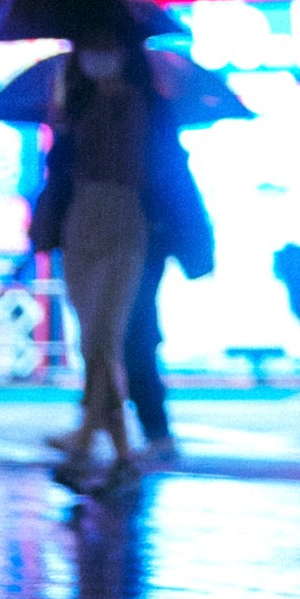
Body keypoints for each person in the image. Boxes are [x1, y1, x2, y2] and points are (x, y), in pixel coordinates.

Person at [31, 16, 155, 494]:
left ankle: (87, 443)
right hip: (81, 221)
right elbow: (59, 173)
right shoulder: (74, 105)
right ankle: (120, 454)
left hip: (123, 219)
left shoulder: (136, 104)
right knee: (92, 341)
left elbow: (140, 162)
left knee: (105, 334)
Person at [121, 90, 217, 467]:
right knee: (121, 335)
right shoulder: (88, 107)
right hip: (110, 236)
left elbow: (176, 186)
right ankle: (115, 424)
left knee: (134, 333)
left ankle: (150, 429)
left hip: (144, 238)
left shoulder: (151, 117)